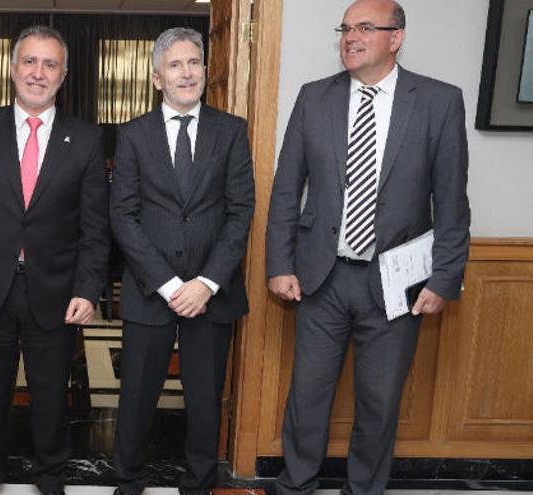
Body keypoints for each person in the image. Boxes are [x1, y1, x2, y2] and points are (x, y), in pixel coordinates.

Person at [265, 1, 470, 494]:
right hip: (322, 276)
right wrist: (279, 263)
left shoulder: (439, 101)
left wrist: (444, 278)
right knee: (308, 395)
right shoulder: (314, 98)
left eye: (363, 27)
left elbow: (451, 198)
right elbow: (287, 188)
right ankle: (295, 485)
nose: (350, 37)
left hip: (397, 281)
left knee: (380, 402)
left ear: (395, 37)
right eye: (345, 28)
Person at [0, 25, 109, 495]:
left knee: (52, 397)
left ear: (63, 75)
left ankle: (50, 477)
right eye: (30, 62)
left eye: (50, 64)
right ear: (14, 68)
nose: (39, 73)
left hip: (56, 291)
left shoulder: (87, 138)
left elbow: (95, 226)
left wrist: (87, 287)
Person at [110, 27, 255, 495]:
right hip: (151, 289)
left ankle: (198, 485)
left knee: (205, 401)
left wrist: (207, 282)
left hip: (211, 294)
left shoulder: (231, 131)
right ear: (157, 78)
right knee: (136, 397)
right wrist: (171, 284)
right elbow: (123, 216)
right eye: (175, 65)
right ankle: (128, 482)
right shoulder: (132, 135)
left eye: (194, 62)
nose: (187, 72)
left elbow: (240, 213)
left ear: (205, 71)